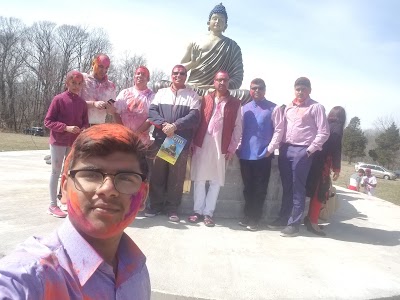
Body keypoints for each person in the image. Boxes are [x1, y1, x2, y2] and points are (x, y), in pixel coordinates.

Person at [0, 124, 151, 299]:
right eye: (91, 174)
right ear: (64, 188)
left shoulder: (137, 268)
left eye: (126, 177)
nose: (108, 189)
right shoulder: (30, 278)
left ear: (143, 195)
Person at [268, 77, 330, 237]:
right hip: (286, 149)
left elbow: (324, 132)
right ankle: (283, 218)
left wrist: (310, 150)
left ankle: (294, 224)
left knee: (297, 187)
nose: (300, 92)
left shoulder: (316, 107)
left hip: (303, 151)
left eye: (303, 89)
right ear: (294, 90)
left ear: (309, 90)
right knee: (287, 186)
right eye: (298, 89)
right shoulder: (289, 107)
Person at [145, 65, 201, 222]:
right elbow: (152, 113)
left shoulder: (192, 95)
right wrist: (164, 125)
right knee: (157, 173)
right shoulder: (161, 93)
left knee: (175, 176)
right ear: (171, 75)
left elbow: (194, 117)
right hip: (161, 137)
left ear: (186, 76)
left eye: (182, 73)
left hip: (176, 139)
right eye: (175, 73)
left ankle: (172, 208)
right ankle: (155, 206)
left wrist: (175, 126)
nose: (178, 76)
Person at [189, 71, 242, 227]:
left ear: (228, 82)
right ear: (214, 82)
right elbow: (196, 121)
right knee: (199, 179)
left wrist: (232, 148)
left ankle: (208, 213)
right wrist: (192, 142)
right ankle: (197, 211)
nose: (222, 83)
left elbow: (238, 127)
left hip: (221, 145)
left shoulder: (235, 103)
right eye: (219, 80)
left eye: (225, 80)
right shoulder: (205, 100)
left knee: (216, 180)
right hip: (202, 143)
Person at [236, 78, 284, 231]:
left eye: (260, 88)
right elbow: (240, 130)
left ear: (265, 90)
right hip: (245, 153)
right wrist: (237, 147)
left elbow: (279, 130)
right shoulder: (245, 108)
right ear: (250, 90)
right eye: (253, 88)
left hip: (263, 154)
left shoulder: (273, 108)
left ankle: (255, 218)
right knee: (247, 187)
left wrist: (270, 149)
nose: (257, 90)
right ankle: (247, 215)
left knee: (260, 188)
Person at [44, 70, 89, 218]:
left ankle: (67, 201)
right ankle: (52, 205)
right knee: (55, 172)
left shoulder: (82, 103)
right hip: (58, 141)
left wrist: (83, 130)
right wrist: (65, 127)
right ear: (67, 83)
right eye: (73, 83)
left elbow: (85, 123)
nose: (76, 86)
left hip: (73, 143)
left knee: (69, 173)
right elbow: (48, 121)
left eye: (79, 83)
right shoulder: (59, 99)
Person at [181, 3, 243, 93]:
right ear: (208, 22)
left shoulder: (233, 46)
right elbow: (179, 69)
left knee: (245, 94)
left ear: (225, 26)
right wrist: (192, 63)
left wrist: (220, 85)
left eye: (221, 20)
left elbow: (238, 77)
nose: (217, 21)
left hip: (217, 90)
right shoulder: (195, 42)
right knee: (160, 85)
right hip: (193, 88)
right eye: (215, 18)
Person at [304, 106, 346, 236]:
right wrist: (337, 168)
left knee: (314, 192)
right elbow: (336, 149)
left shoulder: (324, 124)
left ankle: (310, 219)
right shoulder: (337, 127)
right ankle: (313, 222)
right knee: (320, 193)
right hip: (322, 165)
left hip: (312, 161)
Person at [114, 66, 155, 145]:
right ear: (134, 76)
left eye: (143, 74)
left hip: (141, 142)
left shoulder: (152, 96)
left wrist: (136, 134)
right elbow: (116, 113)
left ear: (148, 79)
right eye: (138, 74)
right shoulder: (125, 93)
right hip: (123, 138)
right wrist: (124, 132)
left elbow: (151, 118)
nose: (140, 76)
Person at [81, 53, 116, 125]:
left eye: (106, 68)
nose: (104, 70)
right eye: (100, 66)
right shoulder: (82, 79)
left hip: (98, 126)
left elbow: (111, 111)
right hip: (80, 125)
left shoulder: (111, 86)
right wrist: (94, 104)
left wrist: (109, 108)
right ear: (93, 64)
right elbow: (73, 102)